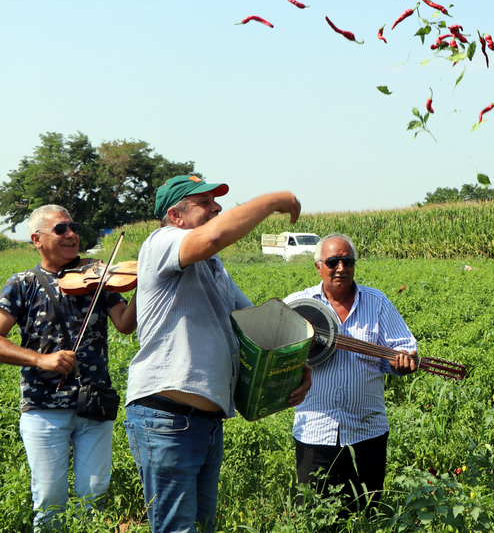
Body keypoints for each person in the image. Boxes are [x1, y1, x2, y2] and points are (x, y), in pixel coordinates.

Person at [123, 175, 310, 532]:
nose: (217, 208)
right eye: (205, 202)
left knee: (202, 526)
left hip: (205, 424)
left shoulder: (213, 268)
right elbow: (211, 236)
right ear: (176, 216)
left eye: (216, 201)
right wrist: (271, 201)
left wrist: (296, 366)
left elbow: (259, 326)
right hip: (167, 420)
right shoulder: (161, 242)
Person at [0, 205, 137, 530]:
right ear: (37, 239)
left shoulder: (99, 279)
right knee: (49, 498)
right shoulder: (23, 284)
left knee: (94, 493)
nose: (72, 234)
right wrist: (40, 359)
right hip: (44, 407)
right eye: (61, 229)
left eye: (73, 227)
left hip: (95, 403)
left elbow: (125, 325)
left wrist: (145, 285)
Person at [283, 233, 418, 515]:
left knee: (367, 513)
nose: (341, 268)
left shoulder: (377, 302)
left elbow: (403, 349)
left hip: (367, 431)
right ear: (318, 266)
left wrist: (400, 363)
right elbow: (273, 351)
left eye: (348, 261)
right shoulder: (297, 304)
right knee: (315, 515)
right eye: (333, 261)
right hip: (315, 430)